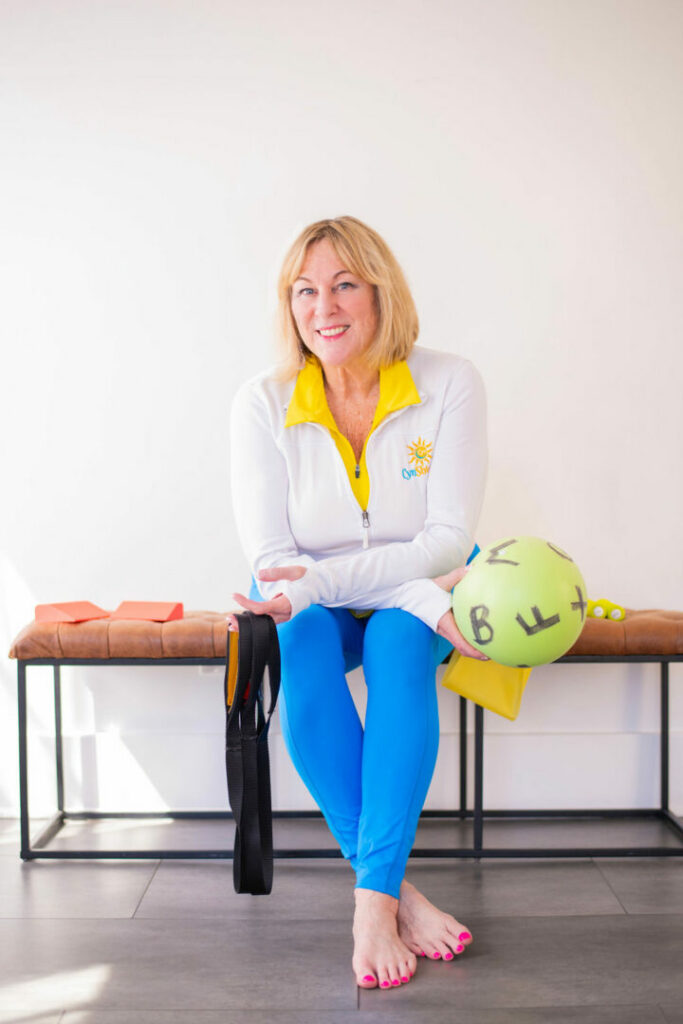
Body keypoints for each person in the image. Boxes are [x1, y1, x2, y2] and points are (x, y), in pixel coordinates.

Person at [228, 215, 488, 990]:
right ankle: (388, 891)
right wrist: (327, 587)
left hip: (428, 587)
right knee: (302, 639)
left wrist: (395, 591)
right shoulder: (262, 402)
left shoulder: (449, 383)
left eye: (344, 284)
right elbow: (274, 562)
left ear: (381, 292)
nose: (324, 308)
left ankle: (371, 902)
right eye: (304, 290)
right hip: (318, 601)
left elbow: (445, 541)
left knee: (398, 643)